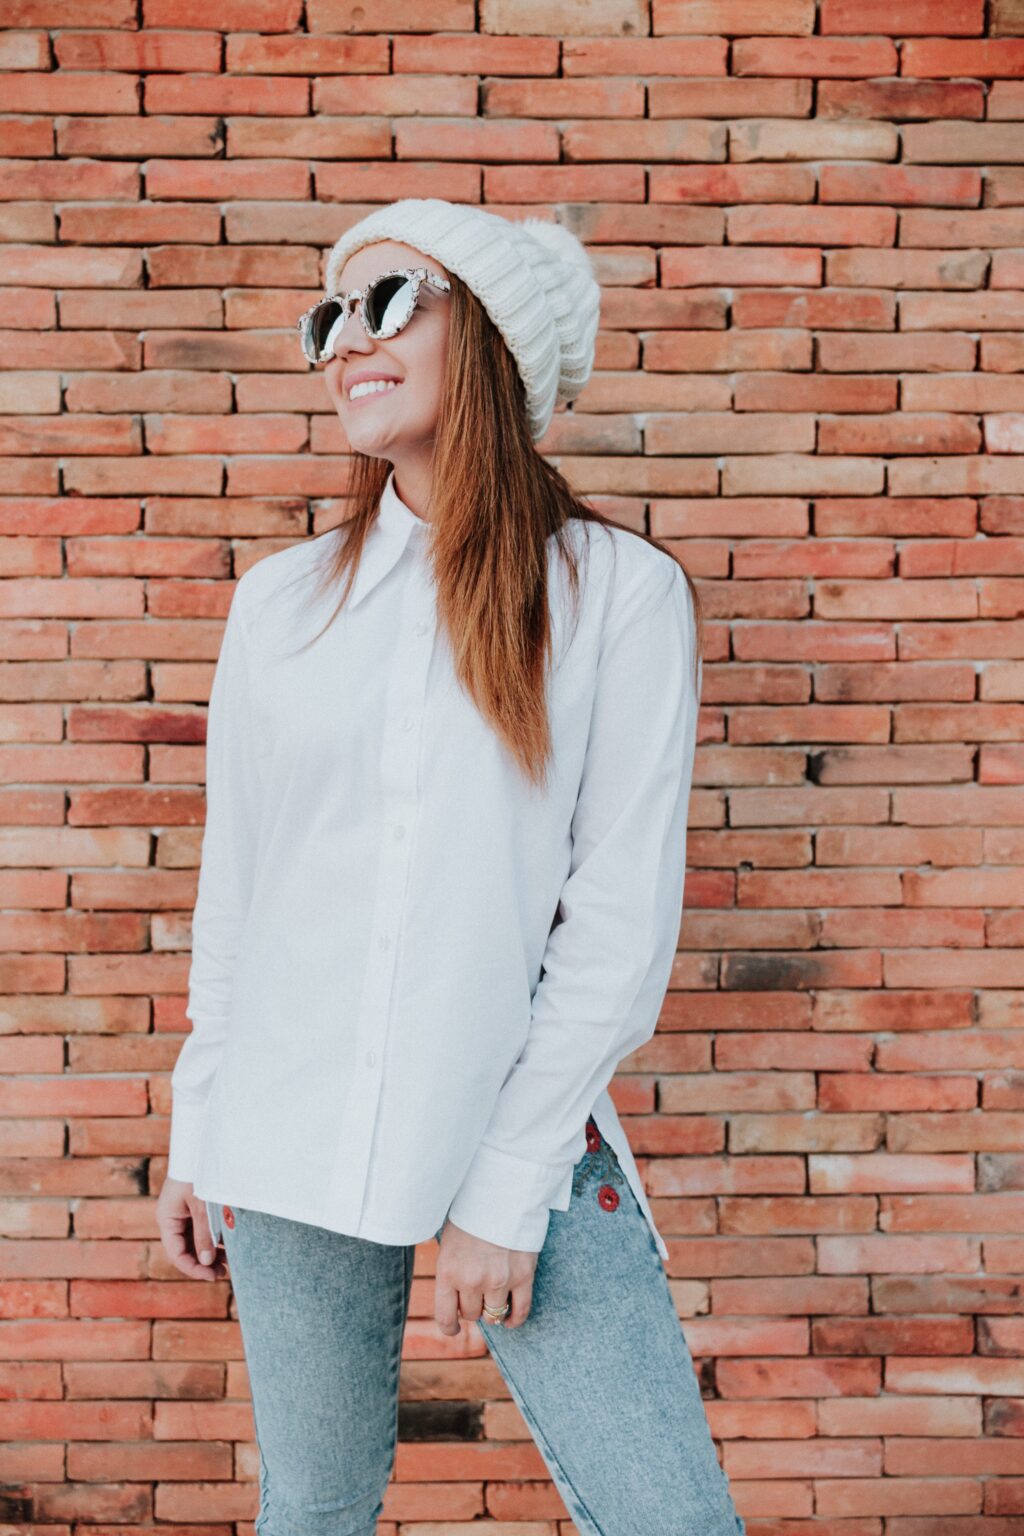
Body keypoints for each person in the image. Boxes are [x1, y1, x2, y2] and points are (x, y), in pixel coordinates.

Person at [156, 197, 745, 1536]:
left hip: (517, 1131)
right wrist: (203, 1132)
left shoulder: (617, 594)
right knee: (310, 1512)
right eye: (327, 317)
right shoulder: (282, 606)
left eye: (385, 302)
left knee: (668, 1520)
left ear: (488, 335)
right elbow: (241, 897)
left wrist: (501, 1196)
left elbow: (614, 928)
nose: (343, 342)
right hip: (285, 1132)